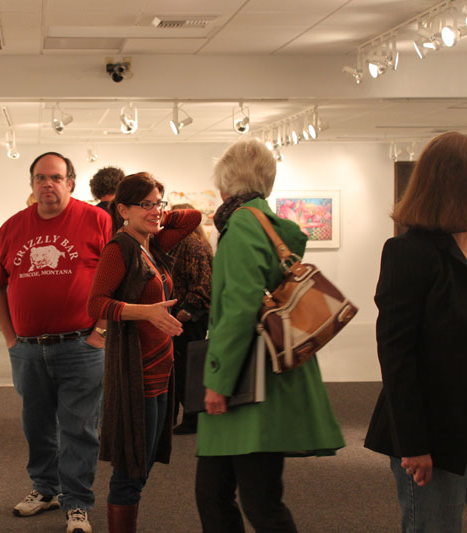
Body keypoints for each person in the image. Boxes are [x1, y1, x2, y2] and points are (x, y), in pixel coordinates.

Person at [195, 139, 344, 533]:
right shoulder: (259, 221)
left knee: (258, 503)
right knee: (217, 495)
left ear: (226, 181)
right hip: (257, 375)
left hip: (247, 381)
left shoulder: (242, 224)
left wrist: (218, 382)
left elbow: (239, 307)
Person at [365, 131, 467, 533]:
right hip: (435, 422)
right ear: (456, 183)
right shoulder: (410, 253)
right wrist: (413, 443)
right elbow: (396, 356)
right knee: (436, 526)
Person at [0, 151, 111, 533]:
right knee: (36, 425)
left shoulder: (97, 220)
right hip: (28, 349)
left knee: (78, 428)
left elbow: (118, 280)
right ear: (32, 184)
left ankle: (77, 503)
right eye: (40, 178)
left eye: (55, 177)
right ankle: (46, 488)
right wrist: (10, 338)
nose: (47, 184)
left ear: (70, 182)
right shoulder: (12, 227)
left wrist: (101, 333)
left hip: (81, 347)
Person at [87, 173, 201, 532]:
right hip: (136, 372)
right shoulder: (118, 249)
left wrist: (156, 215)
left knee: (145, 462)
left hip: (161, 369)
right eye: (145, 204)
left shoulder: (152, 244)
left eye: (158, 203)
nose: (155, 211)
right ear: (122, 210)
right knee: (132, 468)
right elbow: (96, 304)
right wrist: (146, 312)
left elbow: (193, 217)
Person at [168, 202, 212, 434]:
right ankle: (184, 416)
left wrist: (187, 309)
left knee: (187, 369)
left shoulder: (191, 244)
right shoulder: (184, 243)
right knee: (182, 368)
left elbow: (203, 283)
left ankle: (193, 418)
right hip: (182, 315)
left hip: (188, 317)